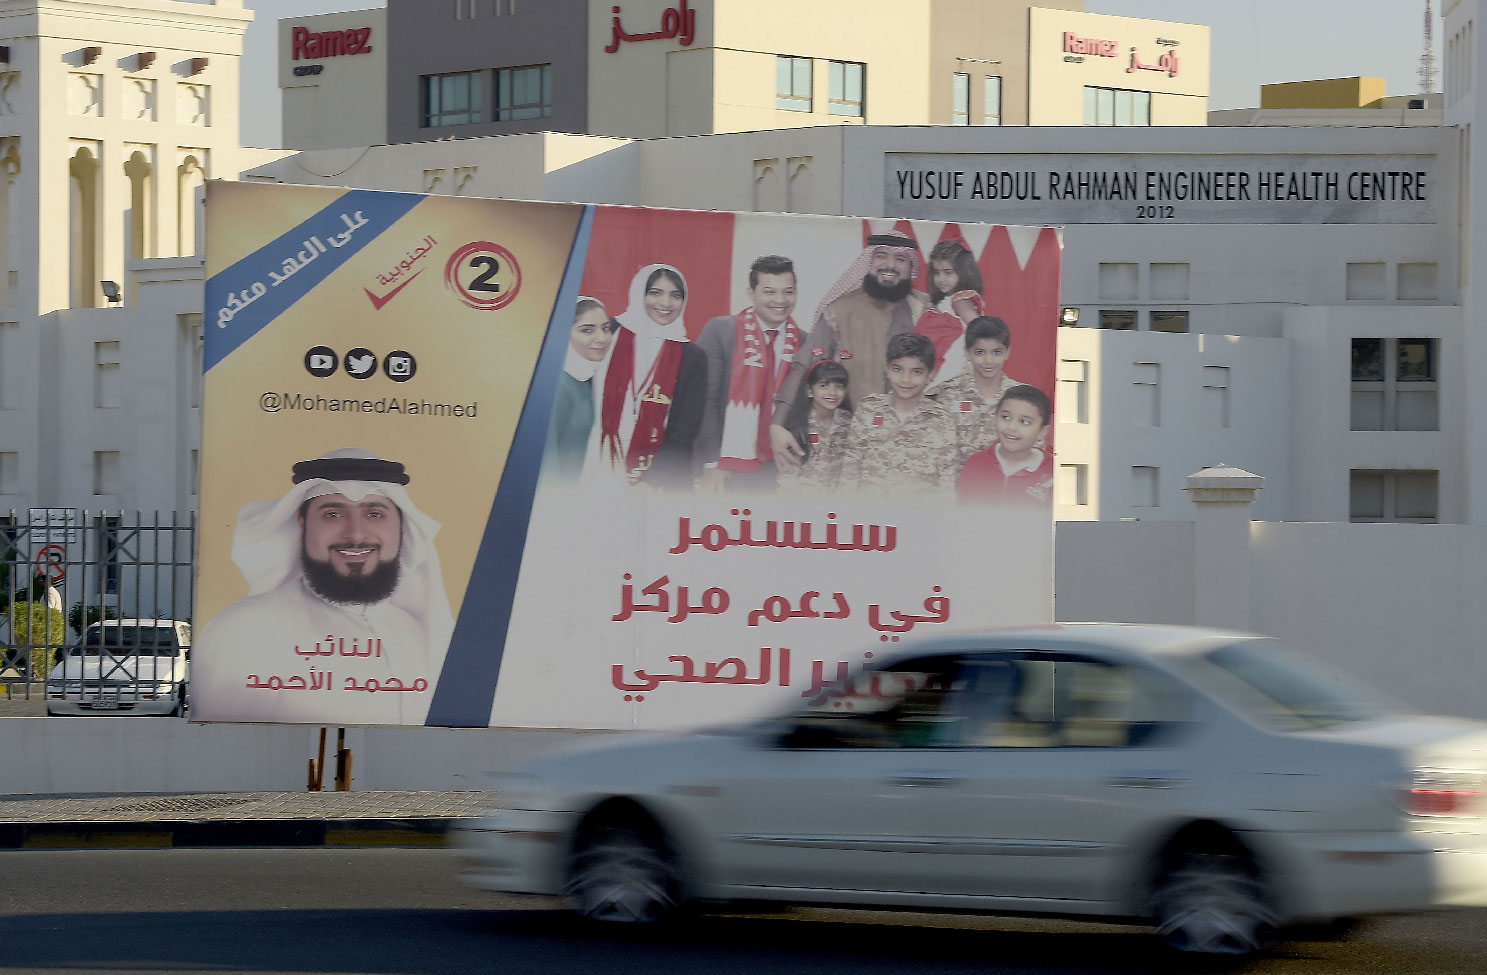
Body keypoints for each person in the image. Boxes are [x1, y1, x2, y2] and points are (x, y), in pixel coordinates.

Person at [196, 447, 455, 725]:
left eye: (375, 514)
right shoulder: (246, 629)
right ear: (302, 524)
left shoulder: (414, 634)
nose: (355, 534)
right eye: (333, 514)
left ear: (402, 527)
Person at [770, 231, 932, 468]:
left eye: (900, 259)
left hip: (917, 445)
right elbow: (804, 364)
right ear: (868, 261)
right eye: (881, 255)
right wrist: (777, 424)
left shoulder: (927, 310)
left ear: (911, 267)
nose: (890, 264)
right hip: (856, 445)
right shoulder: (841, 309)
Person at [588, 264, 706, 490]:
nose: (665, 303)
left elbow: (685, 429)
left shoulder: (693, 356)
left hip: (658, 480)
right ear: (638, 292)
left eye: (675, 295)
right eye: (655, 293)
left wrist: (651, 482)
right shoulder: (606, 332)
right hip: (596, 460)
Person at [693, 255, 804, 494]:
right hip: (726, 466)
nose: (780, 300)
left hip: (781, 469)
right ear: (751, 293)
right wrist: (712, 462)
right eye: (769, 292)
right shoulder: (721, 331)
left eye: (788, 292)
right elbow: (703, 401)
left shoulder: (805, 341)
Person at [839, 333, 958, 498]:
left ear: (930, 376)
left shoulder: (942, 420)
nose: (905, 379)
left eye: (916, 372)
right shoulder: (868, 409)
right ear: (887, 369)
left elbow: (947, 484)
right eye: (898, 369)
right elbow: (849, 473)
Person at [929, 316, 1023, 465]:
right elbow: (938, 448)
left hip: (1006, 483)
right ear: (967, 353)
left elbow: (1033, 449)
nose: (988, 361)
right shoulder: (950, 395)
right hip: (958, 484)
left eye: (996, 352)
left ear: (1008, 352)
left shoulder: (1022, 398)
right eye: (980, 352)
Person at [544, 297, 615, 482]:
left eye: (606, 328)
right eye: (587, 330)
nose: (601, 338)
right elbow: (545, 464)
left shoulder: (588, 379)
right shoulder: (556, 386)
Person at [956, 385, 1055, 506]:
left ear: (1042, 432)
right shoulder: (975, 463)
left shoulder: (1053, 473)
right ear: (995, 418)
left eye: (1024, 422)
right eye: (1006, 417)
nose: (1012, 427)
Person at [777, 360, 853, 494]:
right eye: (823, 386)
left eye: (839, 386)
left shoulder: (851, 422)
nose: (832, 392)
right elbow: (787, 480)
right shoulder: (796, 427)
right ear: (809, 391)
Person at [916, 236, 985, 383]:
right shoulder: (943, 301)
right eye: (936, 272)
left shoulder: (961, 300)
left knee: (957, 404)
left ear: (964, 272)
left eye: (948, 273)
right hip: (938, 363)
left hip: (954, 364)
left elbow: (979, 330)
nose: (941, 279)